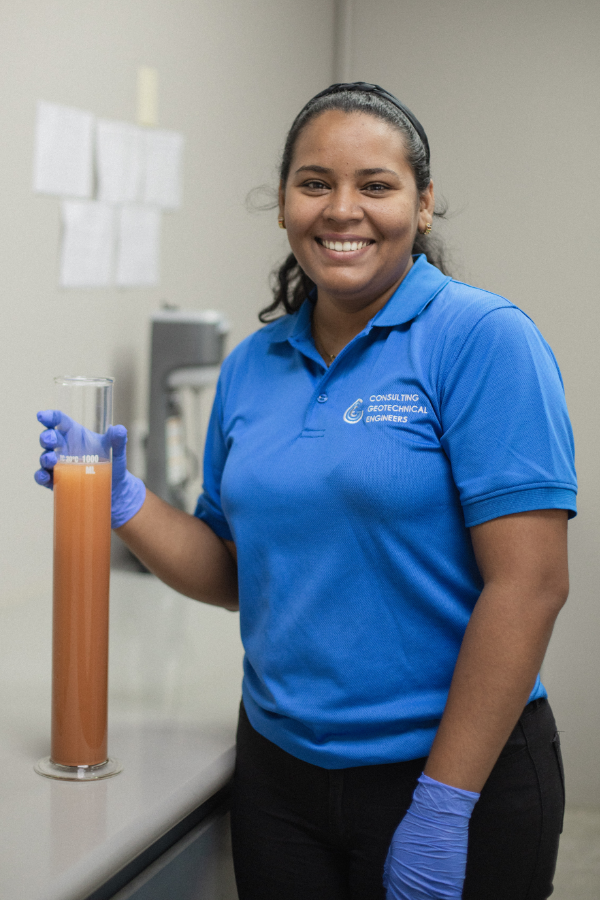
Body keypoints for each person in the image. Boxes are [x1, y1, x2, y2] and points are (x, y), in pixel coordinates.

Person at [36, 83, 576, 900]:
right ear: (285, 203)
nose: (342, 209)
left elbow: (530, 585)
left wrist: (443, 804)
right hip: (280, 779)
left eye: (377, 185)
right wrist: (125, 501)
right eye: (316, 183)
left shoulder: (482, 339)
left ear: (424, 205)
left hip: (452, 777)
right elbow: (233, 570)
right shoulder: (253, 367)